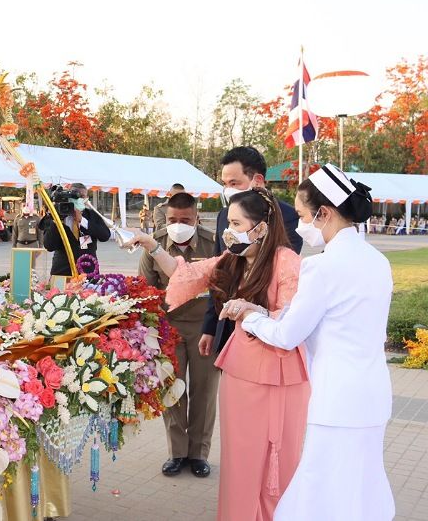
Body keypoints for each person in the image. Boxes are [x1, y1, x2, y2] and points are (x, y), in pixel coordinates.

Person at [222, 164, 394, 521]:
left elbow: (288, 336)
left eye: (301, 215)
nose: (299, 225)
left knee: (319, 491)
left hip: (334, 400)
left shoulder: (322, 267)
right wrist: (264, 312)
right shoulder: (378, 262)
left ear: (324, 213)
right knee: (362, 489)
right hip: (373, 396)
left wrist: (248, 315)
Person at [130, 188, 309, 521]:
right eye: (228, 224)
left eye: (237, 224)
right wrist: (152, 245)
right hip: (242, 373)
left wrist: (254, 311)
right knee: (240, 459)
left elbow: (293, 320)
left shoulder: (288, 263)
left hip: (279, 374)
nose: (229, 232)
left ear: (261, 228)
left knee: (276, 459)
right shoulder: (233, 259)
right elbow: (186, 274)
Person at [137, 192, 218, 478]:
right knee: (172, 391)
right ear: (165, 217)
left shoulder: (211, 242)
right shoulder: (154, 245)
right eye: (172, 219)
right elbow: (144, 290)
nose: (178, 224)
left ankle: (199, 454)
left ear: (197, 217)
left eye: (185, 219)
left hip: (204, 328)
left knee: (204, 392)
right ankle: (177, 453)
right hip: (168, 328)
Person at [201, 147, 303, 359]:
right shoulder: (223, 216)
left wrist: (252, 312)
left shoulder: (288, 217)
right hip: (227, 324)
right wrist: (210, 327)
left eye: (234, 183)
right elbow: (218, 276)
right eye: (225, 184)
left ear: (257, 180)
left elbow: (277, 275)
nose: (228, 190)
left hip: (264, 330)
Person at [43, 183, 110, 276]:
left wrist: (82, 221)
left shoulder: (91, 215)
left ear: (86, 198)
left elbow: (105, 236)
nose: (78, 200)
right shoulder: (56, 216)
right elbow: (49, 246)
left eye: (82, 197)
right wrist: (57, 220)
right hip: (62, 271)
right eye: (75, 196)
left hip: (88, 271)